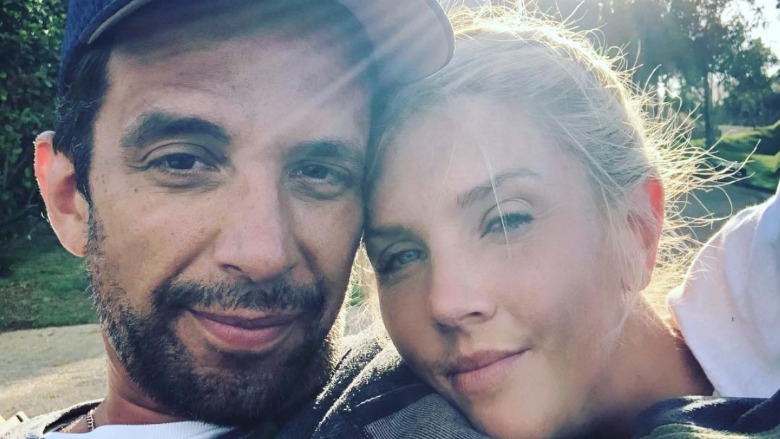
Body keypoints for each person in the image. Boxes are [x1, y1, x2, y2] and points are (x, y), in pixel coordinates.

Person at [4, 0, 454, 437]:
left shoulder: (424, 414)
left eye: (318, 172)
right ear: (69, 197)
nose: (264, 256)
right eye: (181, 162)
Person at [362, 7, 778, 439]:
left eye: (506, 220)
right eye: (401, 256)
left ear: (637, 228)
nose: (445, 304)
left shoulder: (764, 281)